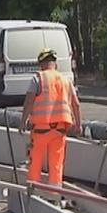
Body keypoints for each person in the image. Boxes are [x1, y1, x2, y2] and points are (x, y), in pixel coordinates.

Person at [20, 47, 81, 187]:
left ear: (41, 63)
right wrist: (78, 125)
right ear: (55, 62)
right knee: (56, 165)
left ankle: (32, 192)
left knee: (35, 162)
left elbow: (29, 101)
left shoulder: (38, 78)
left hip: (40, 130)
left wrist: (23, 122)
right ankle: (54, 195)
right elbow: (76, 104)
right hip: (59, 130)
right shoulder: (66, 80)